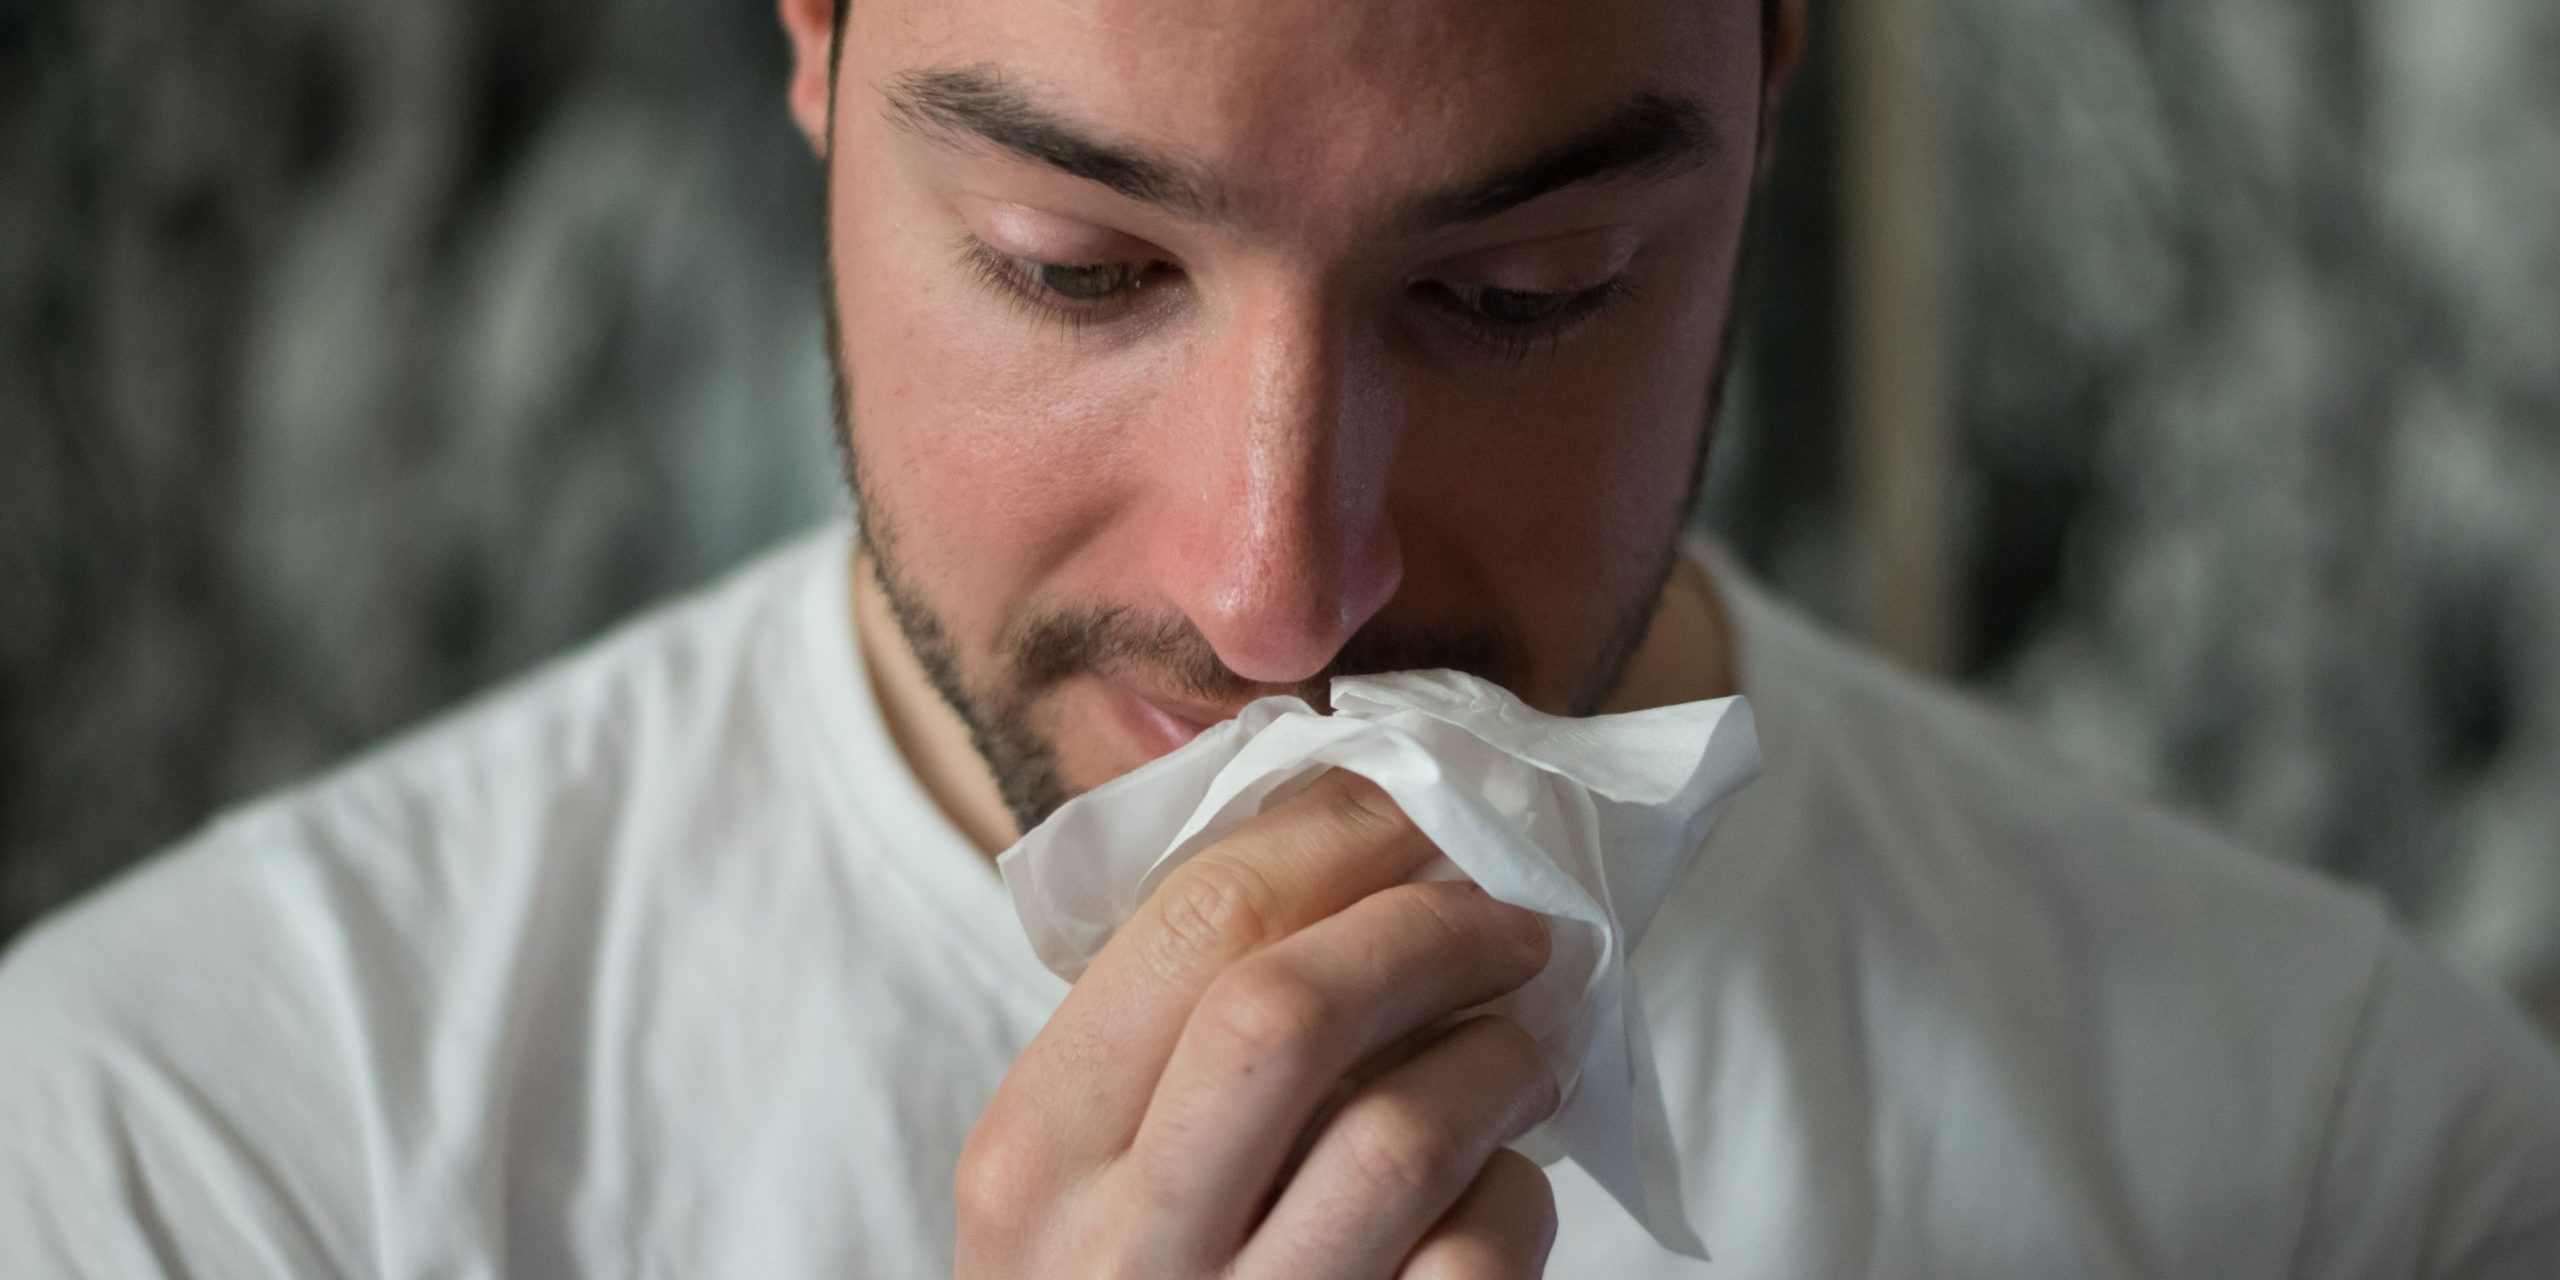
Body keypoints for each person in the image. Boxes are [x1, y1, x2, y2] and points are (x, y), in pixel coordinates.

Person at [4, 0, 2557, 1274]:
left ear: (1773, 74)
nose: (1277, 590)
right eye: (1075, 268)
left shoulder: (2348, 1163)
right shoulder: (190, 1164)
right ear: (810, 36)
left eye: (1521, 289)